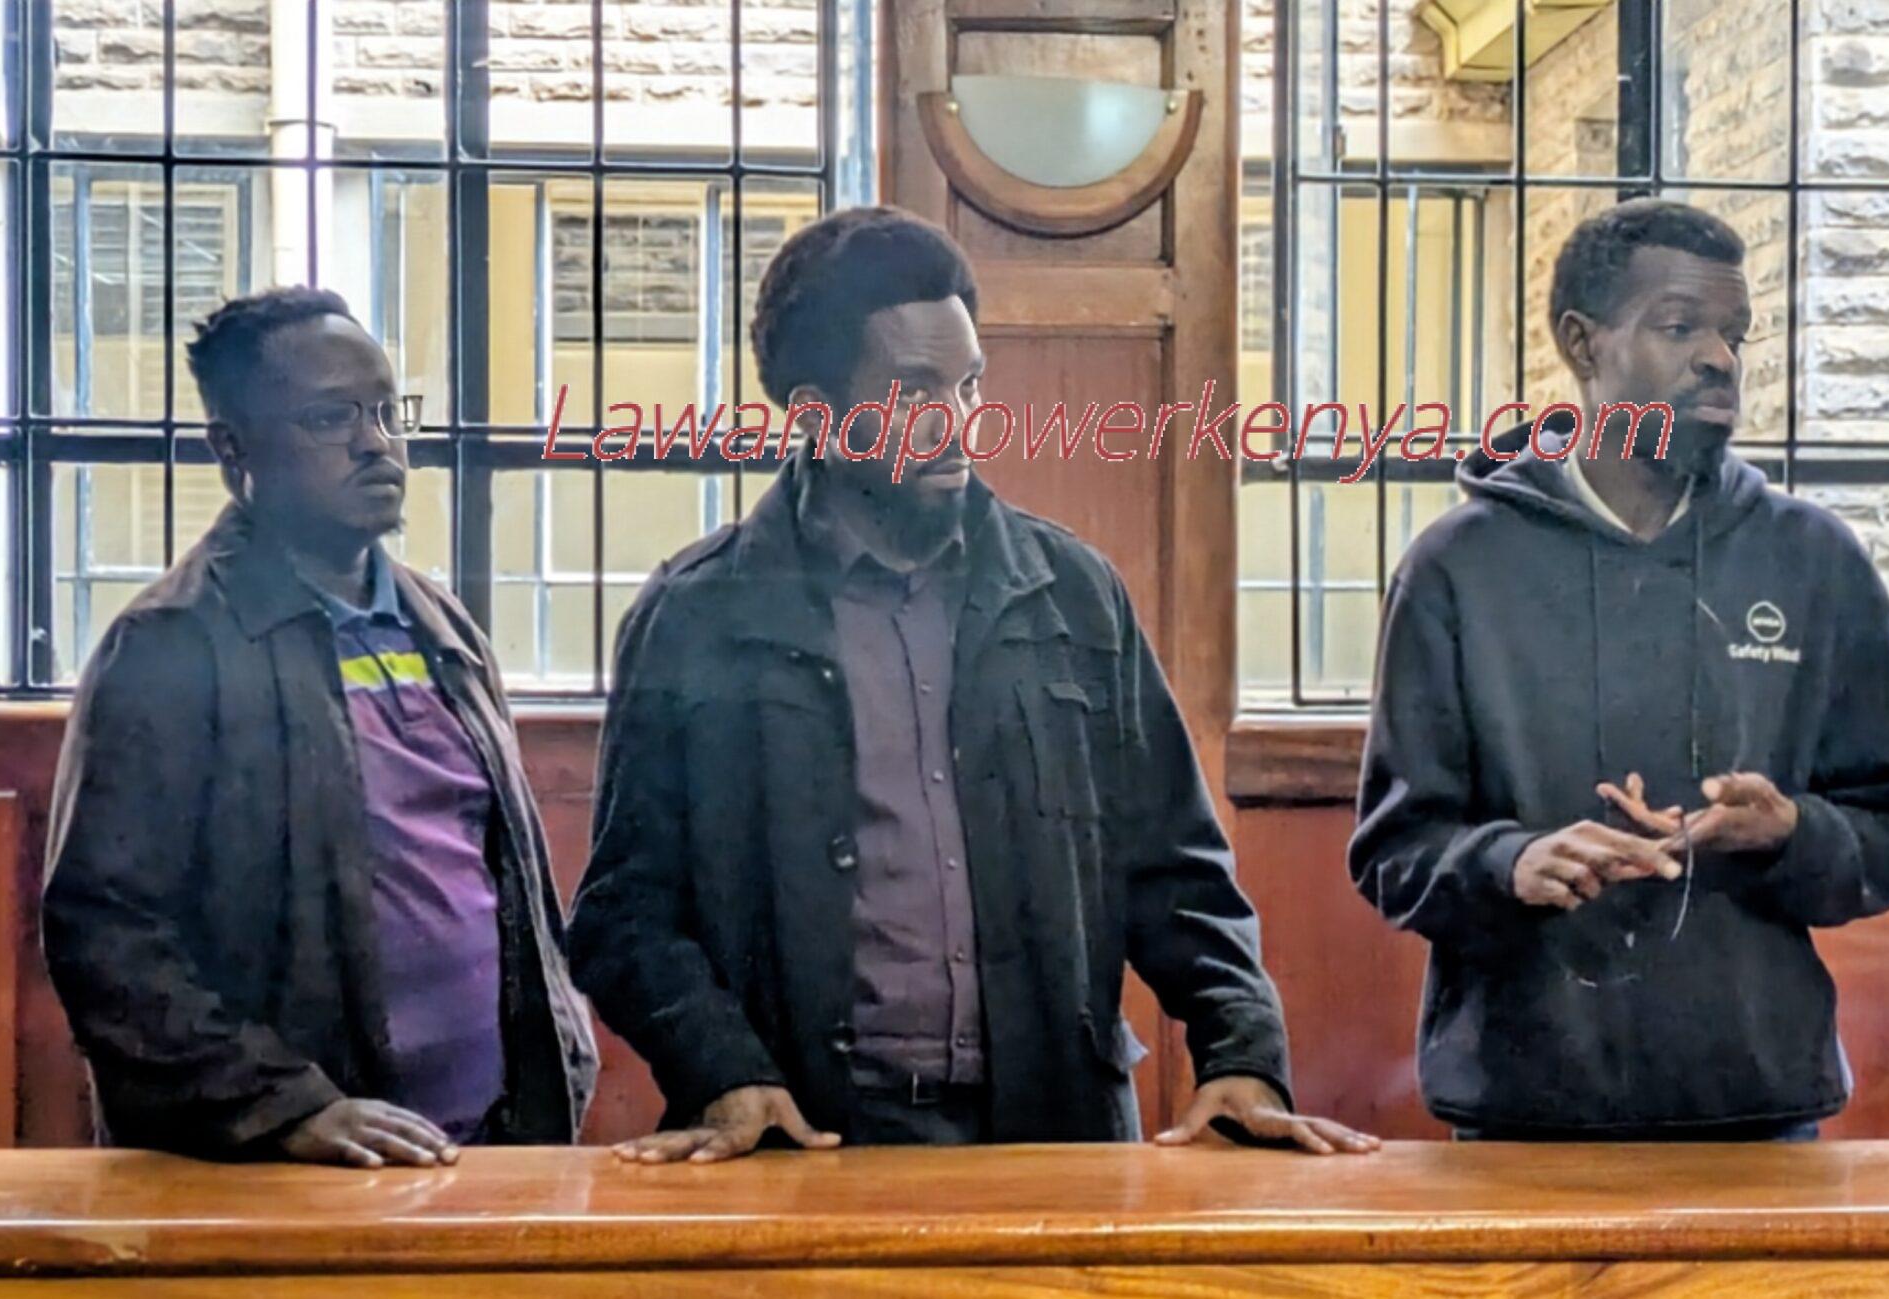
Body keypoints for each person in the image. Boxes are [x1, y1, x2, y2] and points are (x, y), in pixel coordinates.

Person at [568, 205, 1375, 1159]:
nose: (958, 422)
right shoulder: (697, 616)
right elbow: (624, 913)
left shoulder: (1072, 596)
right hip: (809, 1139)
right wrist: (724, 1072)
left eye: (970, 384)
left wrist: (1242, 1053)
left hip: (1055, 1135)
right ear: (815, 413)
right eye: (916, 390)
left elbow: (1178, 870)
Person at [1348, 198, 1889, 1142]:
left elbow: (1888, 839)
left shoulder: (1816, 562)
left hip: (1758, 1108)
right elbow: (1394, 852)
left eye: (1736, 333)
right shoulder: (1458, 567)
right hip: (1523, 1113)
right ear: (1584, 343)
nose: (1720, 359)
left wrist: (1790, 830)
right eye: (1680, 327)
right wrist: (1510, 862)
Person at [42, 287, 599, 1167]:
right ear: (233, 449)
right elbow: (107, 937)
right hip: (287, 1161)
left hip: (491, 1147)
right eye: (330, 418)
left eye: (386, 410)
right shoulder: (170, 643)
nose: (376, 442)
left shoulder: (441, 626)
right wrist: (282, 1106)